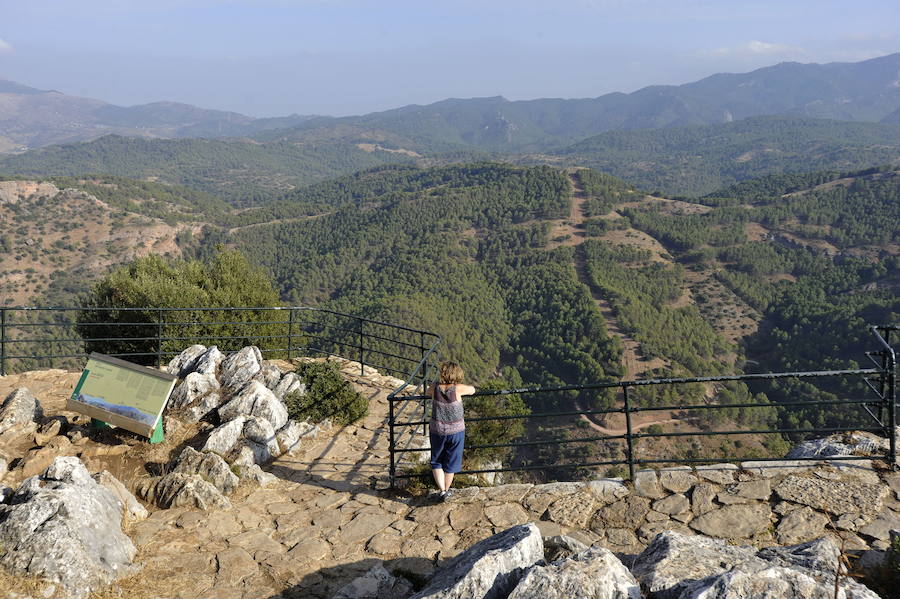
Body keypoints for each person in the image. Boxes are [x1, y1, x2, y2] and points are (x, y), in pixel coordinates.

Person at [428, 361, 475, 501]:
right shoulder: (458, 388)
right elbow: (472, 390)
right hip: (456, 431)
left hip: (437, 429)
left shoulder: (435, 387)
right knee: (452, 461)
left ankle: (442, 491)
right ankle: (446, 491)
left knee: (436, 461)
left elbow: (426, 392)